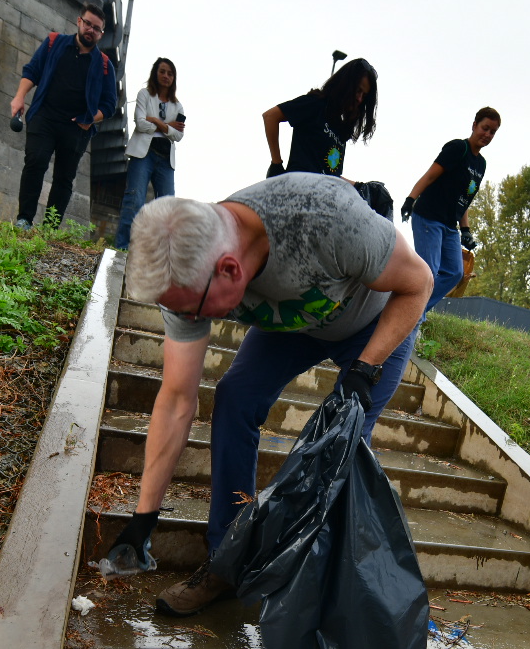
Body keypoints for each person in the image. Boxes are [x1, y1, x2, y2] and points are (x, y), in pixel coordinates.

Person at [109, 175, 433, 616]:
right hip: (294, 325)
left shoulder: (328, 221)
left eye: (191, 311)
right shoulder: (185, 275)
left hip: (372, 326)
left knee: (341, 443)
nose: (188, 320)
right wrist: (143, 518)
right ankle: (226, 561)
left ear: (230, 269)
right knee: (236, 396)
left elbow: (419, 283)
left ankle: (310, 584)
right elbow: (177, 399)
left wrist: (366, 366)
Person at [9, 4, 118, 229]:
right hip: (44, 117)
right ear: (79, 21)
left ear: (101, 34)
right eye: (88, 24)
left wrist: (90, 119)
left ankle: (50, 228)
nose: (91, 30)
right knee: (35, 162)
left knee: (63, 179)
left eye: (96, 28)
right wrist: (20, 97)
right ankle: (24, 219)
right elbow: (32, 71)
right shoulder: (53, 42)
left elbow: (109, 105)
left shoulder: (105, 65)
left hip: (77, 129)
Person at [400, 107, 501, 312]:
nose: (487, 135)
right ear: (474, 125)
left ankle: (415, 310)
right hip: (428, 217)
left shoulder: (481, 164)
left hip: (449, 225)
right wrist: (410, 199)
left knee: (454, 273)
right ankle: (411, 313)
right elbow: (430, 175)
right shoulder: (458, 148)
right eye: (485, 128)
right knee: (428, 271)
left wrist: (466, 230)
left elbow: (463, 199)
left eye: (493, 132)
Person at [261, 58, 378, 179]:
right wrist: (276, 164)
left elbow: (331, 175)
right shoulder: (316, 104)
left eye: (364, 95)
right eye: (358, 90)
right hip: (298, 187)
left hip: (323, 193)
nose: (359, 99)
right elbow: (270, 116)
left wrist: (360, 187)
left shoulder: (341, 128)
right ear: (346, 84)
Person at [113, 57, 183, 250]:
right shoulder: (144, 95)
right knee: (134, 199)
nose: (166, 76)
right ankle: (123, 248)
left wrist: (157, 122)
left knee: (167, 207)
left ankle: (159, 254)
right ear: (155, 73)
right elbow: (140, 123)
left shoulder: (178, 106)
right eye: (162, 71)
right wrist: (167, 126)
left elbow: (178, 135)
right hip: (144, 154)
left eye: (170, 73)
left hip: (166, 160)